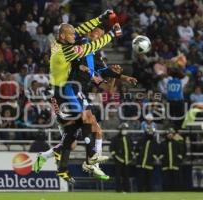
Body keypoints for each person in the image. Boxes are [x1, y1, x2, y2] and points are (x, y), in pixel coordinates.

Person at [40, 10, 123, 184]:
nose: (75, 34)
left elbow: (83, 28)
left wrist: (101, 18)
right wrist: (111, 35)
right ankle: (91, 157)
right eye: (71, 33)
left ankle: (62, 166)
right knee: (84, 120)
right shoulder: (66, 51)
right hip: (61, 92)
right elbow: (90, 47)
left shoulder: (60, 42)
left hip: (66, 88)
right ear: (63, 35)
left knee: (75, 129)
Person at [110, 123, 134, 192]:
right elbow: (112, 150)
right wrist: (117, 158)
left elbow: (131, 149)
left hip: (127, 161)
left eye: (126, 129)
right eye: (123, 129)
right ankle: (118, 190)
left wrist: (130, 158)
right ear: (120, 130)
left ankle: (127, 190)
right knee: (118, 176)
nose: (124, 130)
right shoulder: (115, 138)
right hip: (118, 161)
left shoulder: (129, 138)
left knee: (126, 176)